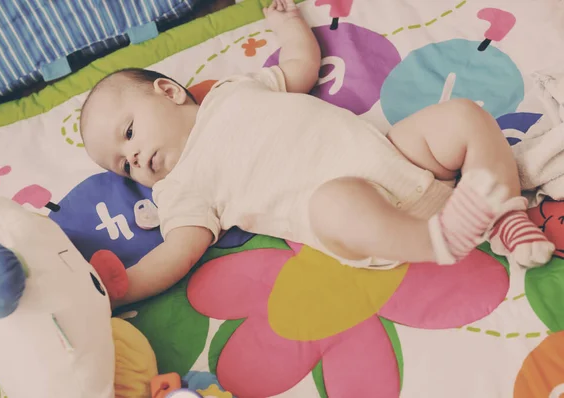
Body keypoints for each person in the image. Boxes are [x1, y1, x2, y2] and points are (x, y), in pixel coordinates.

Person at [80, 0, 554, 308]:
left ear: (168, 91)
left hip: (398, 157)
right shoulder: (180, 189)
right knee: (336, 199)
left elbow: (299, 67)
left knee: (463, 115)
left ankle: (506, 217)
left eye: (128, 133)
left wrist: (288, 24)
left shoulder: (232, 92)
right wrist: (125, 286)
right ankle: (438, 240)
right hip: (360, 221)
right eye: (123, 165)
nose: (135, 159)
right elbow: (176, 253)